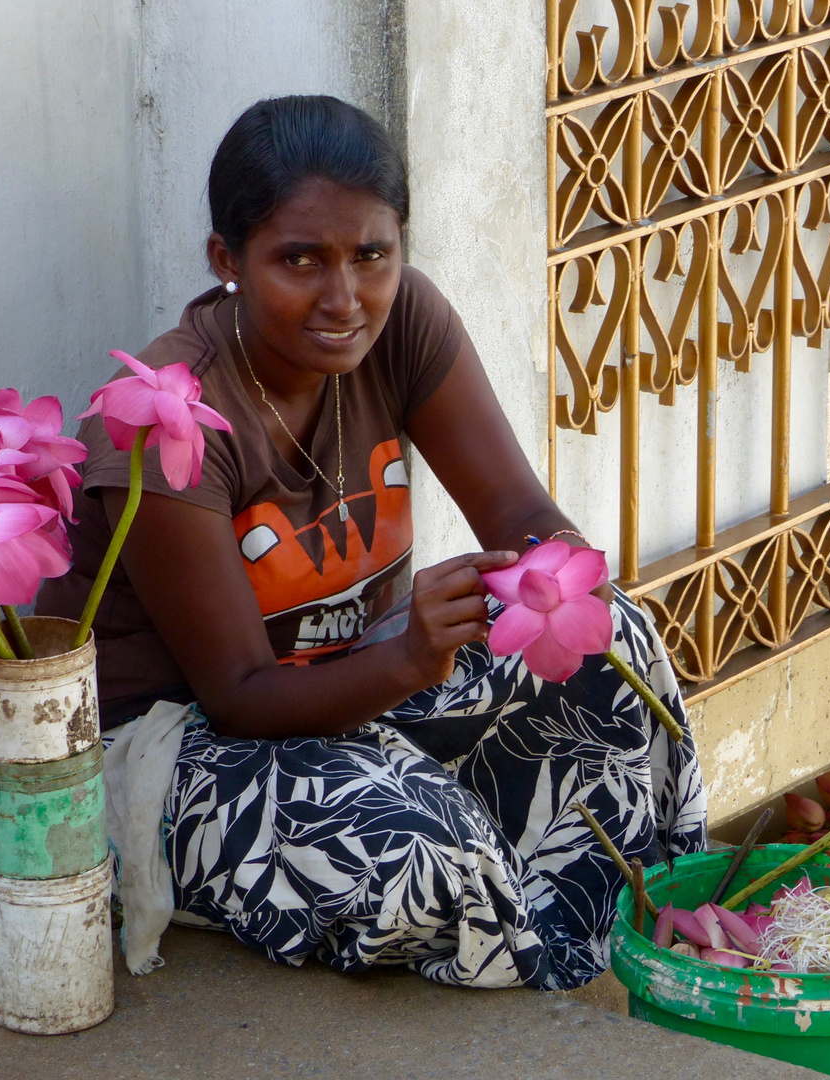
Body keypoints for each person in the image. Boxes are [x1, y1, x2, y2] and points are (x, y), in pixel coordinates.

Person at [37, 95, 706, 990]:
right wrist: (413, 662)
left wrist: (549, 578)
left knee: (612, 639)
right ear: (225, 261)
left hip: (357, 680)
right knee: (425, 856)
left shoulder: (404, 323)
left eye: (372, 255)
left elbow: (515, 510)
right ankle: (521, 921)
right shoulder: (172, 418)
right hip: (179, 744)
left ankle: (649, 918)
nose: (344, 299)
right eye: (299, 260)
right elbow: (239, 697)